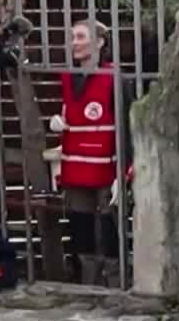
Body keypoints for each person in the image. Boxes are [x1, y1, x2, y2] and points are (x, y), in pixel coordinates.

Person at [47, 18, 135, 286]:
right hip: (75, 170)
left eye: (81, 36)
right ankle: (88, 286)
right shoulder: (67, 77)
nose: (75, 42)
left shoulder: (114, 78)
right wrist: (57, 123)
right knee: (80, 228)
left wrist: (125, 172)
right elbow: (70, 114)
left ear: (99, 42)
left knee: (110, 229)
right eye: (73, 37)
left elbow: (127, 128)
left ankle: (116, 283)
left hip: (106, 170)